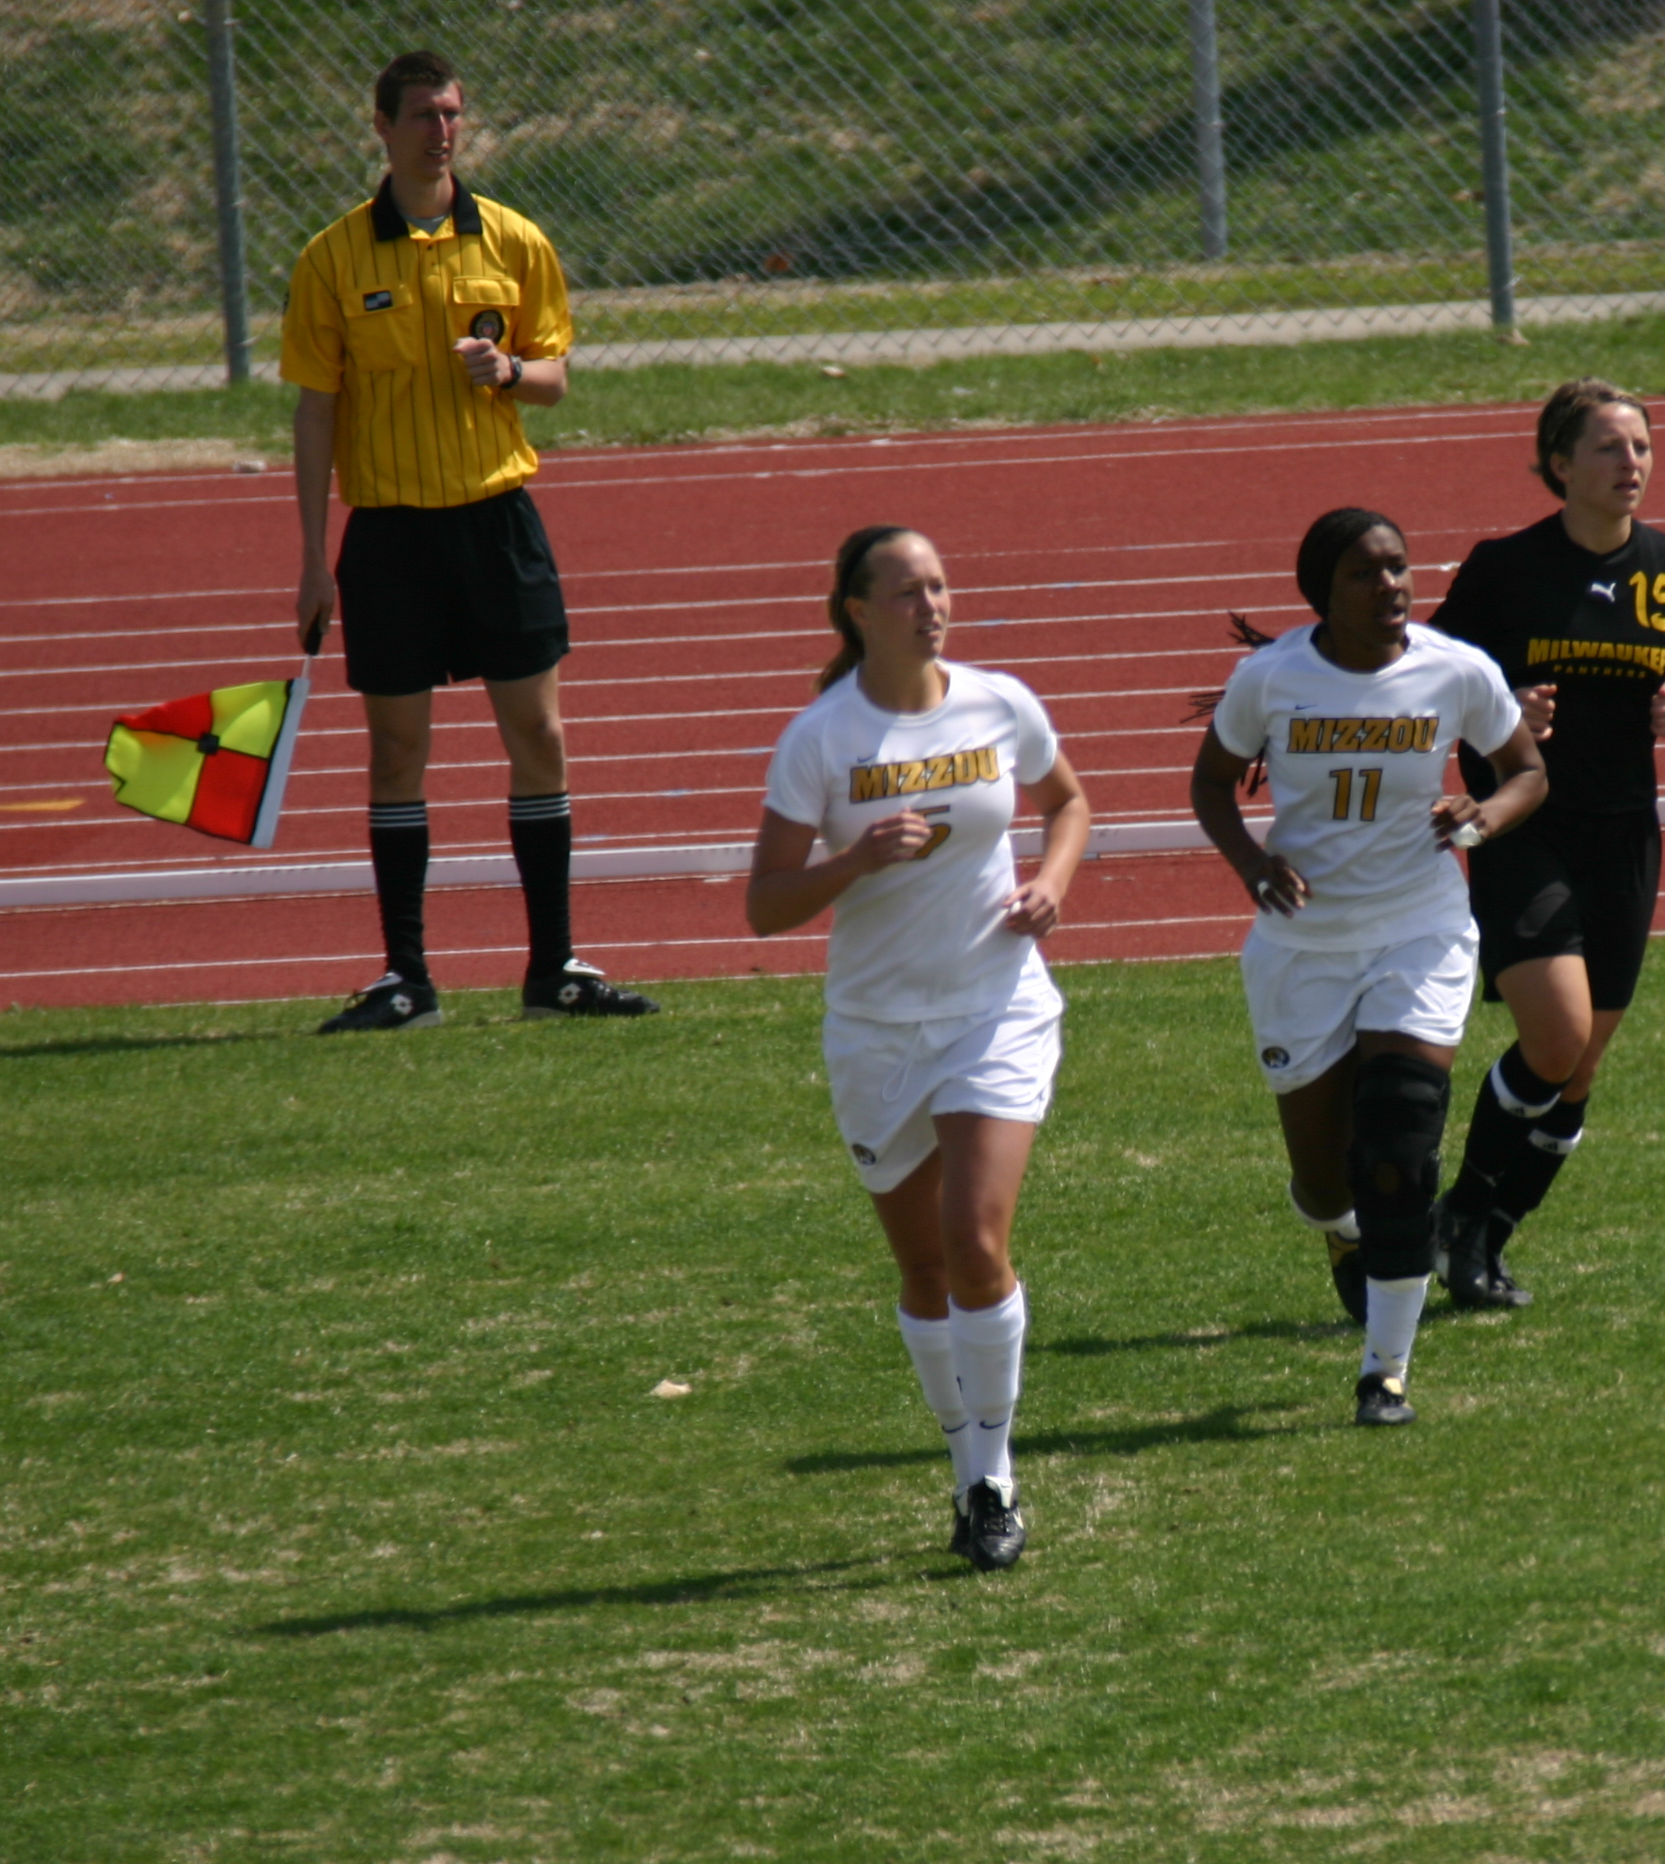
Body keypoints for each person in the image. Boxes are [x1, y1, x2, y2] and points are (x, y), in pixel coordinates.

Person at [283, 48, 655, 1033]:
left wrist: (509, 373)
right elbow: (315, 412)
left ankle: (553, 968)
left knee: (539, 736)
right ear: (381, 128)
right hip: (390, 535)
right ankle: (407, 978)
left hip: (497, 524)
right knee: (397, 751)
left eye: (450, 113)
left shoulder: (515, 240)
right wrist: (313, 559)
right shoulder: (332, 258)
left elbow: (555, 377)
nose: (440, 131)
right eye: (421, 115)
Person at [747, 526, 1091, 1570]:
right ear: (857, 611)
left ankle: (993, 1478)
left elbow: (1068, 802)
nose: (932, 606)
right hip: (876, 1030)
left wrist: (1050, 884)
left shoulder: (1000, 702)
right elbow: (766, 903)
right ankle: (961, 1461)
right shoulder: (821, 738)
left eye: (939, 586)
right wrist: (854, 859)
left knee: (976, 1240)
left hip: (996, 1008)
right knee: (925, 1267)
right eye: (907, 592)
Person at [1189, 510, 1548, 1428]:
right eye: (1365, 573)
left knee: (1400, 1141)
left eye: (1398, 567)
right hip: (1303, 945)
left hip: (1418, 928)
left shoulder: (1455, 668)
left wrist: (1482, 816)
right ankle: (1343, 1236)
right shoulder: (1272, 678)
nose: (1391, 585)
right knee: (1326, 1184)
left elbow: (1527, 771)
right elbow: (1210, 782)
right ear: (1323, 593)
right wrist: (1252, 863)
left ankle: (1384, 1372)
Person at [1425, 379, 1665, 1309]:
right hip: (1524, 824)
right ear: (1559, 465)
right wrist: (1503, 710)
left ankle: (1482, 1233)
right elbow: (1427, 689)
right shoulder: (1504, 568)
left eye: (1641, 447)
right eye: (1608, 447)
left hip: (1625, 832)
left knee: (1581, 1066)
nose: (1631, 463)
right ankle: (1460, 1216)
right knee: (1555, 1038)